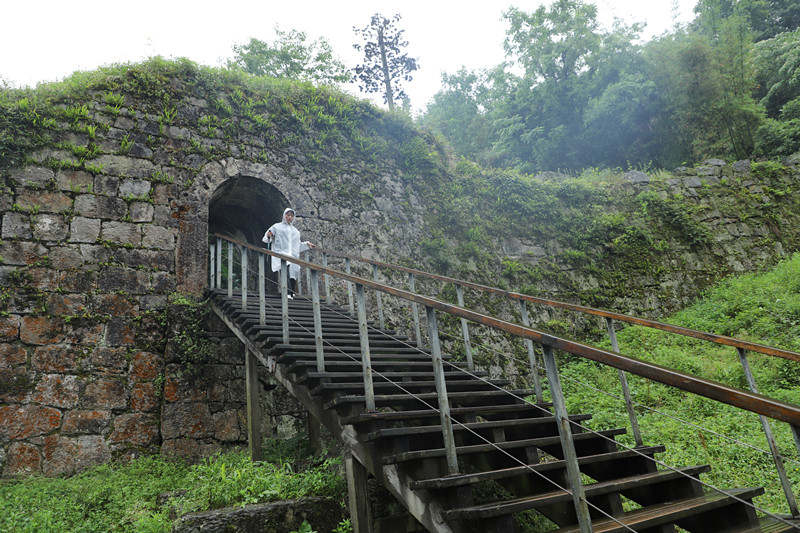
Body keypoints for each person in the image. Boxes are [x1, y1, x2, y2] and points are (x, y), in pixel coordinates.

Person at [262, 208, 315, 299]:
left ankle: (291, 292)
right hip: (281, 253)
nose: (289, 217)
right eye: (288, 215)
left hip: (293, 255)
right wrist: (268, 235)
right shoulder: (277, 227)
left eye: (291, 215)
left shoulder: (295, 231)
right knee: (284, 271)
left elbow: (297, 245)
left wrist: (307, 244)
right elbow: (268, 237)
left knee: (293, 273)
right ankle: (287, 293)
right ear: (284, 215)